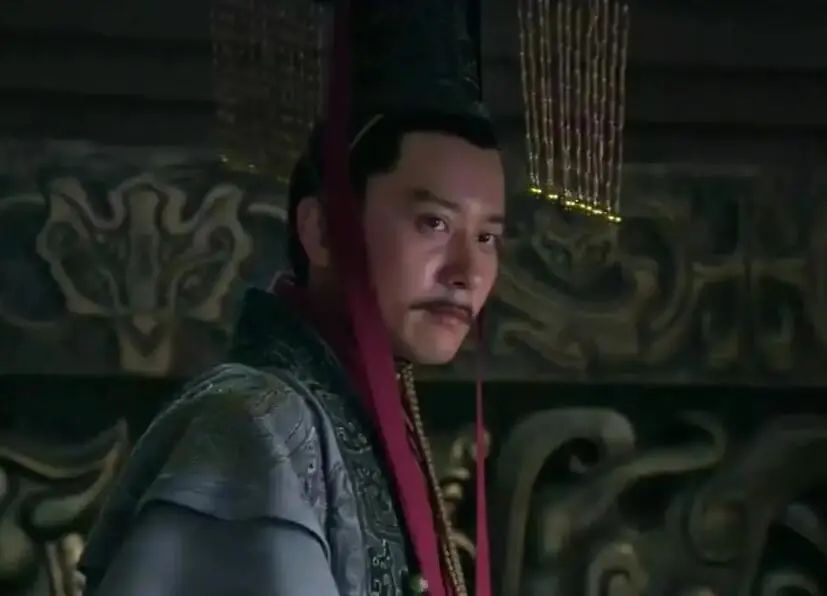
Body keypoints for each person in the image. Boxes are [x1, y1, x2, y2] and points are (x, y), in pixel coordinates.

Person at [79, 3, 505, 596]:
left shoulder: (365, 419)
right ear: (323, 229)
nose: (467, 272)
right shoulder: (255, 428)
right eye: (434, 223)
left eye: (487, 238)